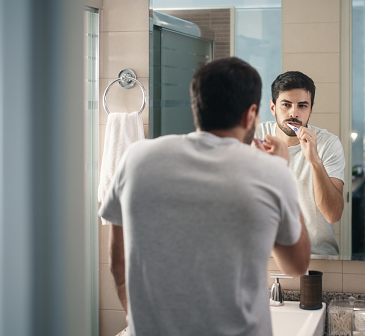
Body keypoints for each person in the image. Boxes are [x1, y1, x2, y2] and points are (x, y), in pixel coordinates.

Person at [99, 57, 310, 336]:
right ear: (252, 114)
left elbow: (118, 265)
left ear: (196, 105)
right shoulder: (270, 172)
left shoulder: (136, 158)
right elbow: (296, 265)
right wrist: (281, 170)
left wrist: (140, 320)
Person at [254, 71, 345, 257]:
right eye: (286, 105)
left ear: (311, 110)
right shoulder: (254, 137)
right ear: (273, 107)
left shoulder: (328, 144)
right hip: (265, 257)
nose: (294, 113)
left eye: (302, 106)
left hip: (317, 258)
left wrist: (315, 161)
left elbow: (333, 215)